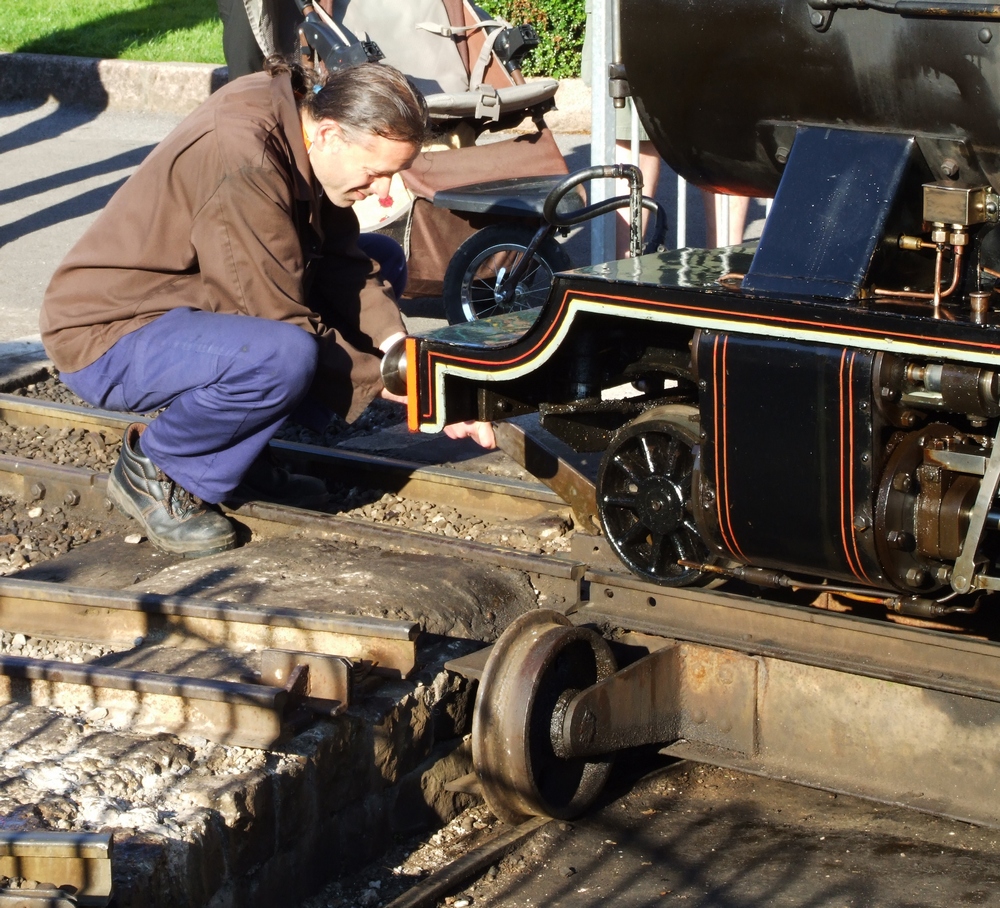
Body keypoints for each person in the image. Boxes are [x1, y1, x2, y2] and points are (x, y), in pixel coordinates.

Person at [39, 58, 495, 560]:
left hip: (187, 304)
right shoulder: (247, 158)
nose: (385, 193)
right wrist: (405, 387)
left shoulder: (295, 120)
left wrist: (401, 353)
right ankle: (155, 467)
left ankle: (239, 453)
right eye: (376, 173)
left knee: (381, 258)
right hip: (108, 331)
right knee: (281, 356)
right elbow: (273, 314)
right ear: (328, 134)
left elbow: (347, 262)